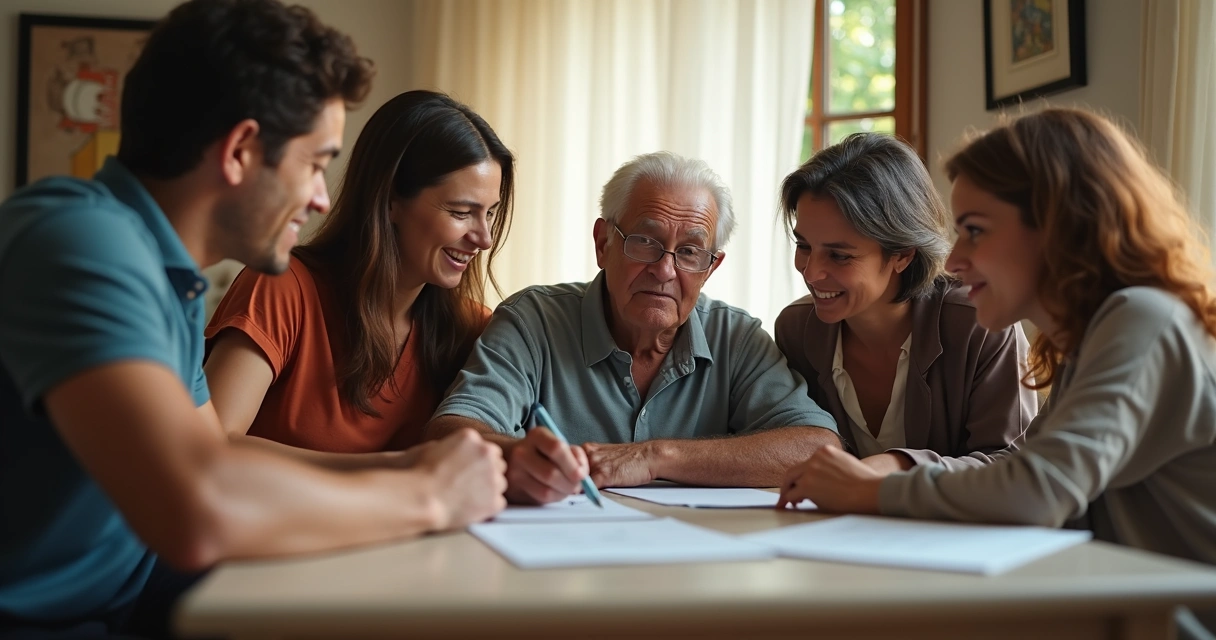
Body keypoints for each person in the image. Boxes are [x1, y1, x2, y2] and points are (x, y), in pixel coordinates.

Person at [0, 2, 505, 637]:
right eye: (316, 162)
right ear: (240, 151)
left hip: (132, 599)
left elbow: (212, 454)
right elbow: (198, 507)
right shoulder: (78, 241)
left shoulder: (164, 275)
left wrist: (407, 467)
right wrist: (429, 497)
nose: (322, 197)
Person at [777, 109, 1216, 634]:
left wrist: (871, 490)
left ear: (1059, 228)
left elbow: (1037, 489)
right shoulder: (1094, 340)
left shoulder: (1144, 320)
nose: (954, 259)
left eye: (976, 232)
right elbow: (1031, 476)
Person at [425, 151, 840, 505]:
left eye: (691, 252)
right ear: (603, 243)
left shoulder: (736, 338)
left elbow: (818, 446)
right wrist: (516, 457)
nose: (664, 270)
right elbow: (450, 433)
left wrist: (656, 457)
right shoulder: (533, 320)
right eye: (645, 241)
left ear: (711, 268)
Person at [203, 90, 513, 464]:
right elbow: (213, 442)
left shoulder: (471, 326)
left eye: (491, 213)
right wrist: (393, 468)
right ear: (390, 200)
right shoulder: (282, 288)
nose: (484, 238)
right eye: (462, 212)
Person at [773, 133, 1037, 474]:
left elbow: (1012, 466)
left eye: (839, 255)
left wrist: (895, 465)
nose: (811, 272)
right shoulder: (796, 329)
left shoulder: (980, 322)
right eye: (804, 246)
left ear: (903, 254)